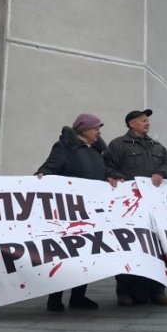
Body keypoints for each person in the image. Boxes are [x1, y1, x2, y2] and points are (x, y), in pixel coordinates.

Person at [35, 113, 108, 312]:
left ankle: (78, 296)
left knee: (86, 255)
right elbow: (50, 166)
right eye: (95, 128)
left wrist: (113, 176)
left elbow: (106, 172)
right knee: (64, 256)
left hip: (91, 212)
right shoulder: (64, 148)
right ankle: (55, 298)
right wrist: (42, 174)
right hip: (69, 212)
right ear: (83, 129)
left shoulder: (98, 151)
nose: (98, 132)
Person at [105, 109, 167, 306]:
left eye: (147, 120)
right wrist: (115, 176)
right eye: (143, 120)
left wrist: (161, 172)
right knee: (129, 248)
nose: (147, 123)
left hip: (153, 209)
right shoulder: (118, 145)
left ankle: (157, 290)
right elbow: (107, 167)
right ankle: (124, 291)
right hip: (129, 209)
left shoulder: (156, 146)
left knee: (157, 248)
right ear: (131, 124)